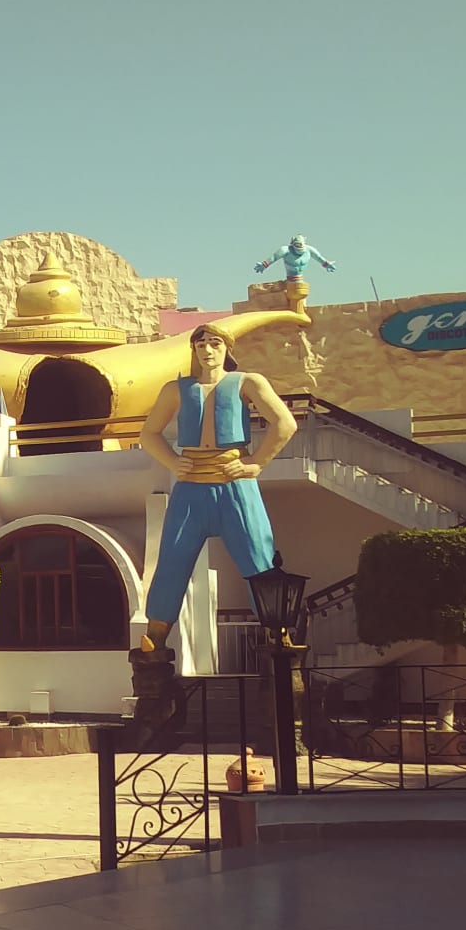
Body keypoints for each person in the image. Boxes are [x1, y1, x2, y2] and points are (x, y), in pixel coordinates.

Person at [136, 322, 299, 653]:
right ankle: (155, 636)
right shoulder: (176, 389)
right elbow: (148, 434)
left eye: (214, 343)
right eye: (200, 344)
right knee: (171, 562)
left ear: (226, 348)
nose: (207, 350)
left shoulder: (247, 382)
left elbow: (285, 423)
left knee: (260, 560)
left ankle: (277, 630)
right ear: (194, 350)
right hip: (191, 488)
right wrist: (172, 461)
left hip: (235, 485)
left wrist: (256, 463)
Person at [254, 234, 337, 317]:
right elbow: (274, 257)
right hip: (290, 280)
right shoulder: (285, 250)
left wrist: (327, 264)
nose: (299, 247)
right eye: (297, 245)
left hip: (299, 280)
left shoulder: (309, 250)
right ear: (293, 244)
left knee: (301, 303)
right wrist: (264, 265)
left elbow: (319, 258)